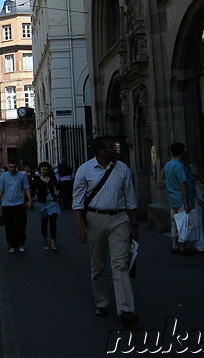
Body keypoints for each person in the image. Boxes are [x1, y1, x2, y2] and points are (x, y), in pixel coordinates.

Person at [73, 137, 139, 328]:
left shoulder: (123, 169)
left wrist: (135, 226)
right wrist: (80, 227)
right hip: (95, 219)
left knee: (120, 265)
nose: (114, 148)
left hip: (119, 219)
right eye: (110, 147)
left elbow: (131, 199)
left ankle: (126, 309)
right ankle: (102, 301)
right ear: (100, 151)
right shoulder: (85, 170)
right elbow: (77, 202)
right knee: (98, 265)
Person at [165, 142, 197, 255]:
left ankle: (174, 245)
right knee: (183, 223)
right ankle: (182, 246)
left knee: (174, 222)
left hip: (172, 198)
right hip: (180, 198)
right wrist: (186, 202)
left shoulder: (168, 165)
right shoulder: (179, 166)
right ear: (181, 151)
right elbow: (182, 185)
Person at [0, 162, 32, 253]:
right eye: (10, 167)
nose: (12, 169)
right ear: (8, 166)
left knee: (21, 225)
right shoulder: (4, 176)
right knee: (9, 226)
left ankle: (21, 243)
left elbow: (26, 188)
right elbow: (0, 190)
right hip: (7, 204)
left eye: (14, 167)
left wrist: (30, 200)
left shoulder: (22, 175)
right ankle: (11, 245)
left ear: (17, 167)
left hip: (19, 203)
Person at [31, 162, 61, 251]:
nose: (44, 171)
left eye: (46, 170)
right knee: (44, 222)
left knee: (53, 221)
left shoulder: (52, 177)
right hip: (42, 202)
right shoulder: (36, 179)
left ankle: (53, 241)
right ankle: (45, 240)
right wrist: (30, 199)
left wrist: (58, 191)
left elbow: (58, 186)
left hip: (52, 201)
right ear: (40, 170)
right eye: (43, 170)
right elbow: (32, 189)